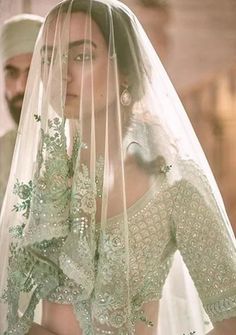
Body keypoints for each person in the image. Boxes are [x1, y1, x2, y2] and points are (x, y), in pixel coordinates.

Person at [0, 1, 236, 334]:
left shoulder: (173, 184)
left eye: (82, 56)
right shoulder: (40, 179)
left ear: (125, 69)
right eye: (50, 57)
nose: (60, 73)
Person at [0, 14, 44, 209]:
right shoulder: (3, 148)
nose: (21, 87)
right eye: (12, 73)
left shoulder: (78, 144)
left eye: (31, 71)